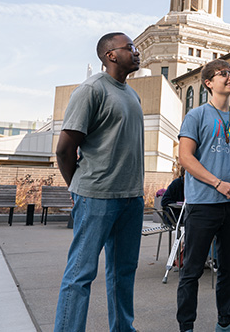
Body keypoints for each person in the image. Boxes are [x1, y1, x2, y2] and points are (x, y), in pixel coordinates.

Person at [54, 32, 144, 332]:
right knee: (80, 274)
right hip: (96, 197)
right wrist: (77, 189)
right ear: (111, 55)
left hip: (131, 199)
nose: (137, 51)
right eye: (130, 47)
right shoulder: (91, 90)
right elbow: (65, 149)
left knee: (124, 272)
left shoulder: (132, 94)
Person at [176, 59, 230, 332]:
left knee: (228, 269)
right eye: (224, 74)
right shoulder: (196, 116)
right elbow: (185, 158)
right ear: (209, 82)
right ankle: (186, 327)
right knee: (192, 270)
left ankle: (225, 322)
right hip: (203, 204)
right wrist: (217, 183)